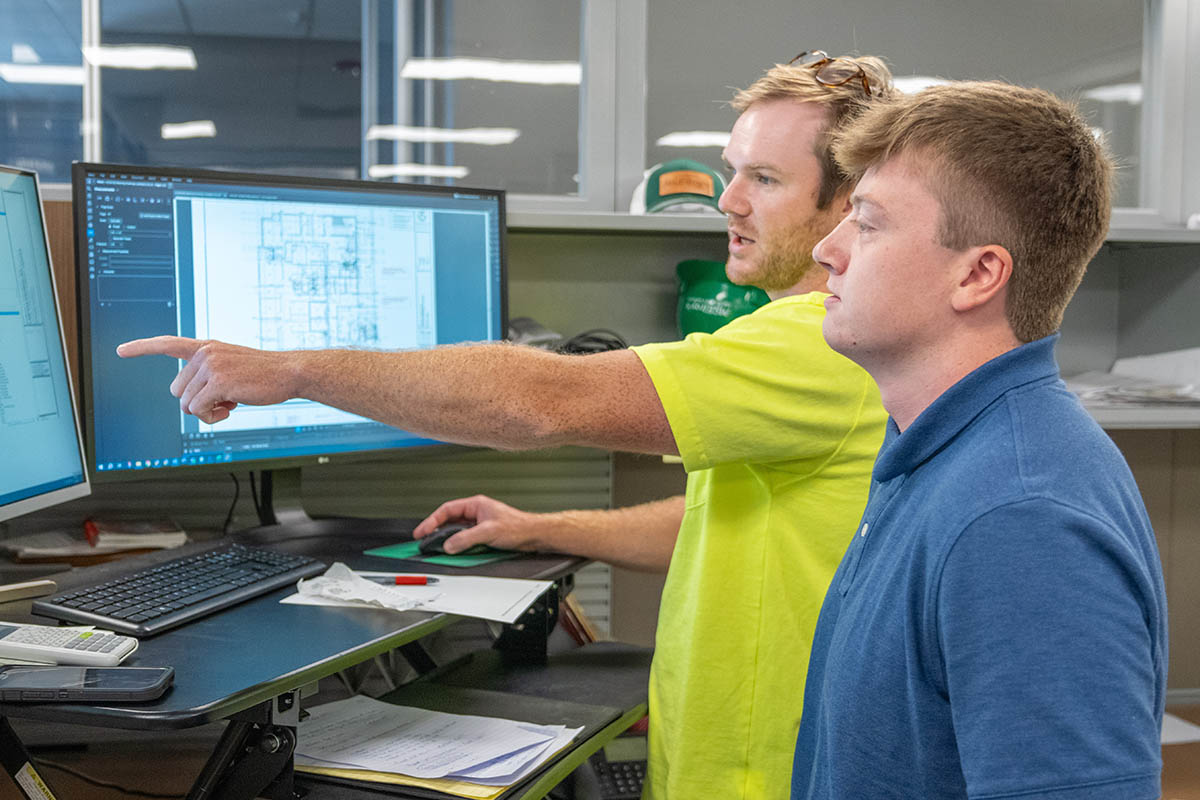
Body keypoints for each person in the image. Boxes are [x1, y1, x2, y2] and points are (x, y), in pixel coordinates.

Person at [118, 53, 894, 800]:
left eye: (764, 178)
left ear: (851, 201)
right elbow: (733, 519)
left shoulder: (819, 343)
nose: (729, 200)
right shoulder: (812, 343)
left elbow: (540, 402)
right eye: (732, 170)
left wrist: (292, 372)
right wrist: (542, 527)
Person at [790, 80, 1167, 800]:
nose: (827, 250)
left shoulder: (1020, 516)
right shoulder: (936, 452)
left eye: (867, 224)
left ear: (978, 274)